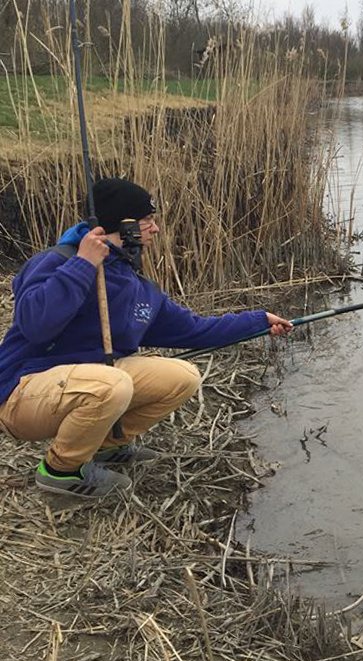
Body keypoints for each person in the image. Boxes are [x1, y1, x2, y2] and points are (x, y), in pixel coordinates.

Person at [0, 178, 293, 498]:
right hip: (22, 393)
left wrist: (257, 322)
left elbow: (195, 329)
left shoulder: (135, 286)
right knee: (113, 384)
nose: (155, 229)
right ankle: (60, 471)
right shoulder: (56, 262)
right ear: (124, 226)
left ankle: (104, 447)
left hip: (88, 384)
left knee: (182, 377)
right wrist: (83, 264)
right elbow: (35, 325)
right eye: (147, 221)